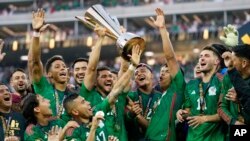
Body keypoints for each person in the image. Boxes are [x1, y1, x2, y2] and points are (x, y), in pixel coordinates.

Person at [65, 46, 141, 140]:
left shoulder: (119, 97)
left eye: (110, 76)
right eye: (104, 76)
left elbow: (122, 76)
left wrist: (124, 45)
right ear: (95, 82)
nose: (109, 78)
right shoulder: (90, 97)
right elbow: (92, 68)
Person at [144, 8, 185, 141]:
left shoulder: (177, 88)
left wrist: (162, 29)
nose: (162, 74)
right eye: (161, 71)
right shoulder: (159, 96)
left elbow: (170, 58)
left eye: (167, 71)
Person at [28, 9, 74, 121]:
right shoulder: (43, 88)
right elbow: (34, 61)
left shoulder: (74, 94)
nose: (62, 68)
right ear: (49, 74)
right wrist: (36, 33)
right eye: (57, 67)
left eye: (64, 66)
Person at [176, 43, 229, 141]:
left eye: (207, 56)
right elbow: (189, 110)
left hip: (215, 137)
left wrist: (204, 119)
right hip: (192, 138)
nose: (202, 58)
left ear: (216, 61)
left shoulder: (223, 81)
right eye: (200, 56)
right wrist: (181, 113)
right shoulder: (190, 85)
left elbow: (227, 113)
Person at [220, 44, 250, 124]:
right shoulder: (228, 76)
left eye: (233, 60)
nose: (230, 63)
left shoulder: (232, 73)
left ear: (244, 63)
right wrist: (233, 122)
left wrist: (240, 100)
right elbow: (221, 106)